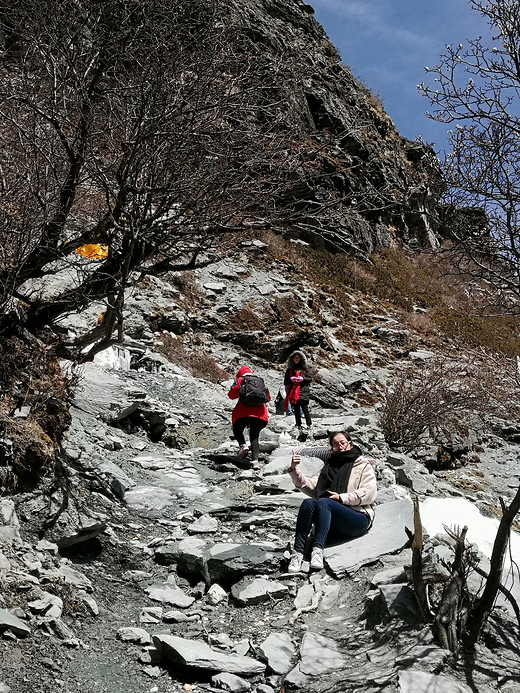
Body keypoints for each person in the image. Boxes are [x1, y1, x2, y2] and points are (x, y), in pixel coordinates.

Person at [287, 430, 377, 572]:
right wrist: (294, 469)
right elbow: (312, 486)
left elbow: (369, 493)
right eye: (335, 445)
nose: (340, 446)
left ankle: (317, 550)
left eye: (342, 443)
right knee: (308, 503)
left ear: (350, 444)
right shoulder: (329, 467)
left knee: (324, 502)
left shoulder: (363, 466)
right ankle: (298, 552)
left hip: (358, 517)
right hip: (333, 518)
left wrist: (341, 498)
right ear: (332, 449)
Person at [228, 366, 270, 469]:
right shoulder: (260, 380)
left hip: (243, 413)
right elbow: (268, 397)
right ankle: (255, 461)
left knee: (237, 429)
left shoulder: (240, 380)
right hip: (260, 414)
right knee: (254, 436)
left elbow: (232, 395)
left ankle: (243, 445)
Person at [284, 350, 312, 433]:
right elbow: (285, 382)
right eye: (295, 358)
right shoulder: (289, 370)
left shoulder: (305, 369)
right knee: (295, 409)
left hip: (303, 391)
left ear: (301, 359)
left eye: (298, 358)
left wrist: (302, 379)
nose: (296, 359)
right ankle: (298, 425)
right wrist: (291, 380)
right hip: (293, 391)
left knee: (304, 408)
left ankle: (309, 425)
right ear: (292, 359)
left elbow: (309, 379)